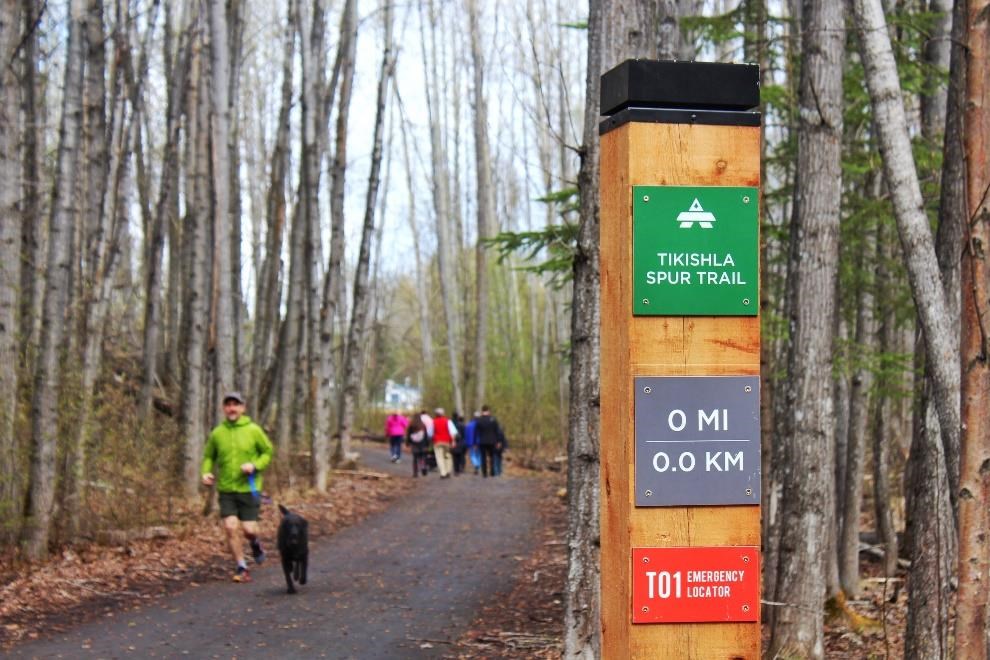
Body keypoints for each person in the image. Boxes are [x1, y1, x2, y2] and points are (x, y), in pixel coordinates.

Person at [201, 391, 274, 583]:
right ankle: (242, 566)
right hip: (226, 489)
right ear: (224, 408)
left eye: (235, 404)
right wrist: (206, 472)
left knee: (249, 530)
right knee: (230, 527)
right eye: (228, 405)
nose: (232, 408)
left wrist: (255, 465)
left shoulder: (253, 430)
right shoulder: (218, 433)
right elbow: (209, 456)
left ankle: (255, 543)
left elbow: (267, 451)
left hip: (249, 488)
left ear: (243, 408)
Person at [474, 404, 506, 478]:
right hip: (492, 441)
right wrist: (499, 441)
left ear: (482, 411)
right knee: (492, 457)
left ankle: (484, 473)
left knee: (483, 457)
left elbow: (476, 433)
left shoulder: (479, 420)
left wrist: (475, 443)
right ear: (488, 411)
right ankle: (492, 471)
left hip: (482, 442)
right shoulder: (493, 419)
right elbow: (498, 431)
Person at [431, 407, 458, 478]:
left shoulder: (433, 422)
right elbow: (453, 432)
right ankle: (448, 470)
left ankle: (443, 472)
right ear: (443, 414)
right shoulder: (448, 421)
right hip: (447, 441)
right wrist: (453, 441)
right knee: (448, 456)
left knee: (439, 457)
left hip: (437, 442)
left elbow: (430, 433)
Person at [405, 413, 430, 477]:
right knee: (422, 457)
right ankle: (423, 467)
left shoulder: (411, 425)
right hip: (422, 444)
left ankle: (415, 472)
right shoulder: (423, 425)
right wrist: (427, 444)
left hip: (414, 444)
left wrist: (407, 444)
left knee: (415, 459)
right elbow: (426, 436)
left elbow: (408, 435)